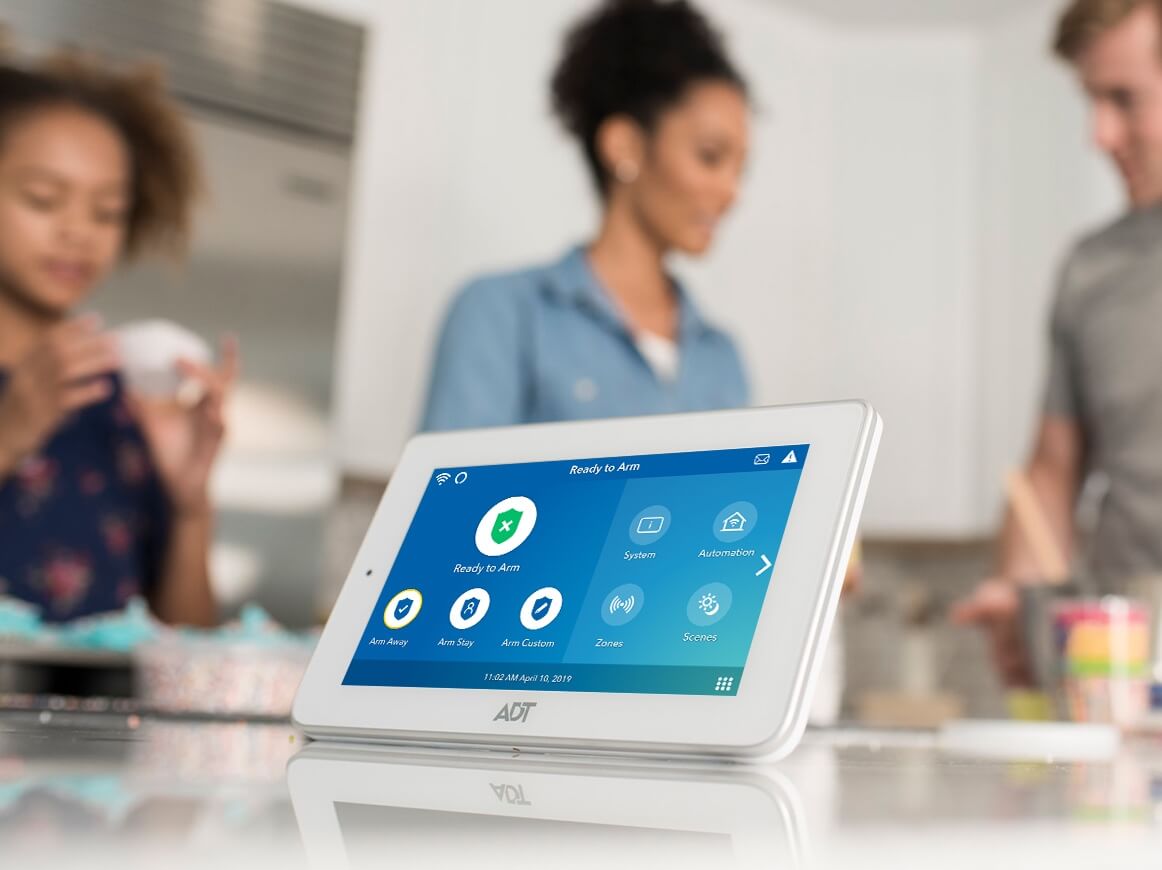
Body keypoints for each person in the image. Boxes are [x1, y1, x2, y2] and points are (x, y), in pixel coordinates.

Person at [954, 0, 1162, 684]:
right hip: (1126, 668)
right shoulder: (1089, 270)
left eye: (1123, 100)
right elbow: (1051, 468)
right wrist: (1017, 592)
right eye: (1091, 100)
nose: (1099, 134)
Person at [421, 0, 750, 431]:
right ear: (624, 147)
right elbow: (454, 495)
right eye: (710, 157)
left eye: (741, 169)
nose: (731, 193)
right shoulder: (503, 315)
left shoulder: (722, 359)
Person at [0, 52, 235, 626]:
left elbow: (185, 650)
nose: (77, 232)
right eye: (42, 199)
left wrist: (189, 508)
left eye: (107, 212)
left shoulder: (119, 401)